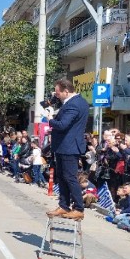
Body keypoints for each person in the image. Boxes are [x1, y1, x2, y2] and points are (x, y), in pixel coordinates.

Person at [46, 79, 90, 221]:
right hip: (64, 145)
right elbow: (45, 104)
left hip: (69, 146)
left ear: (66, 91)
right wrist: (53, 98)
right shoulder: (74, 102)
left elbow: (63, 124)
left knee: (70, 177)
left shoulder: (74, 105)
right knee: (63, 177)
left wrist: (50, 119)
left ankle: (78, 208)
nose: (56, 95)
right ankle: (64, 205)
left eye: (58, 93)